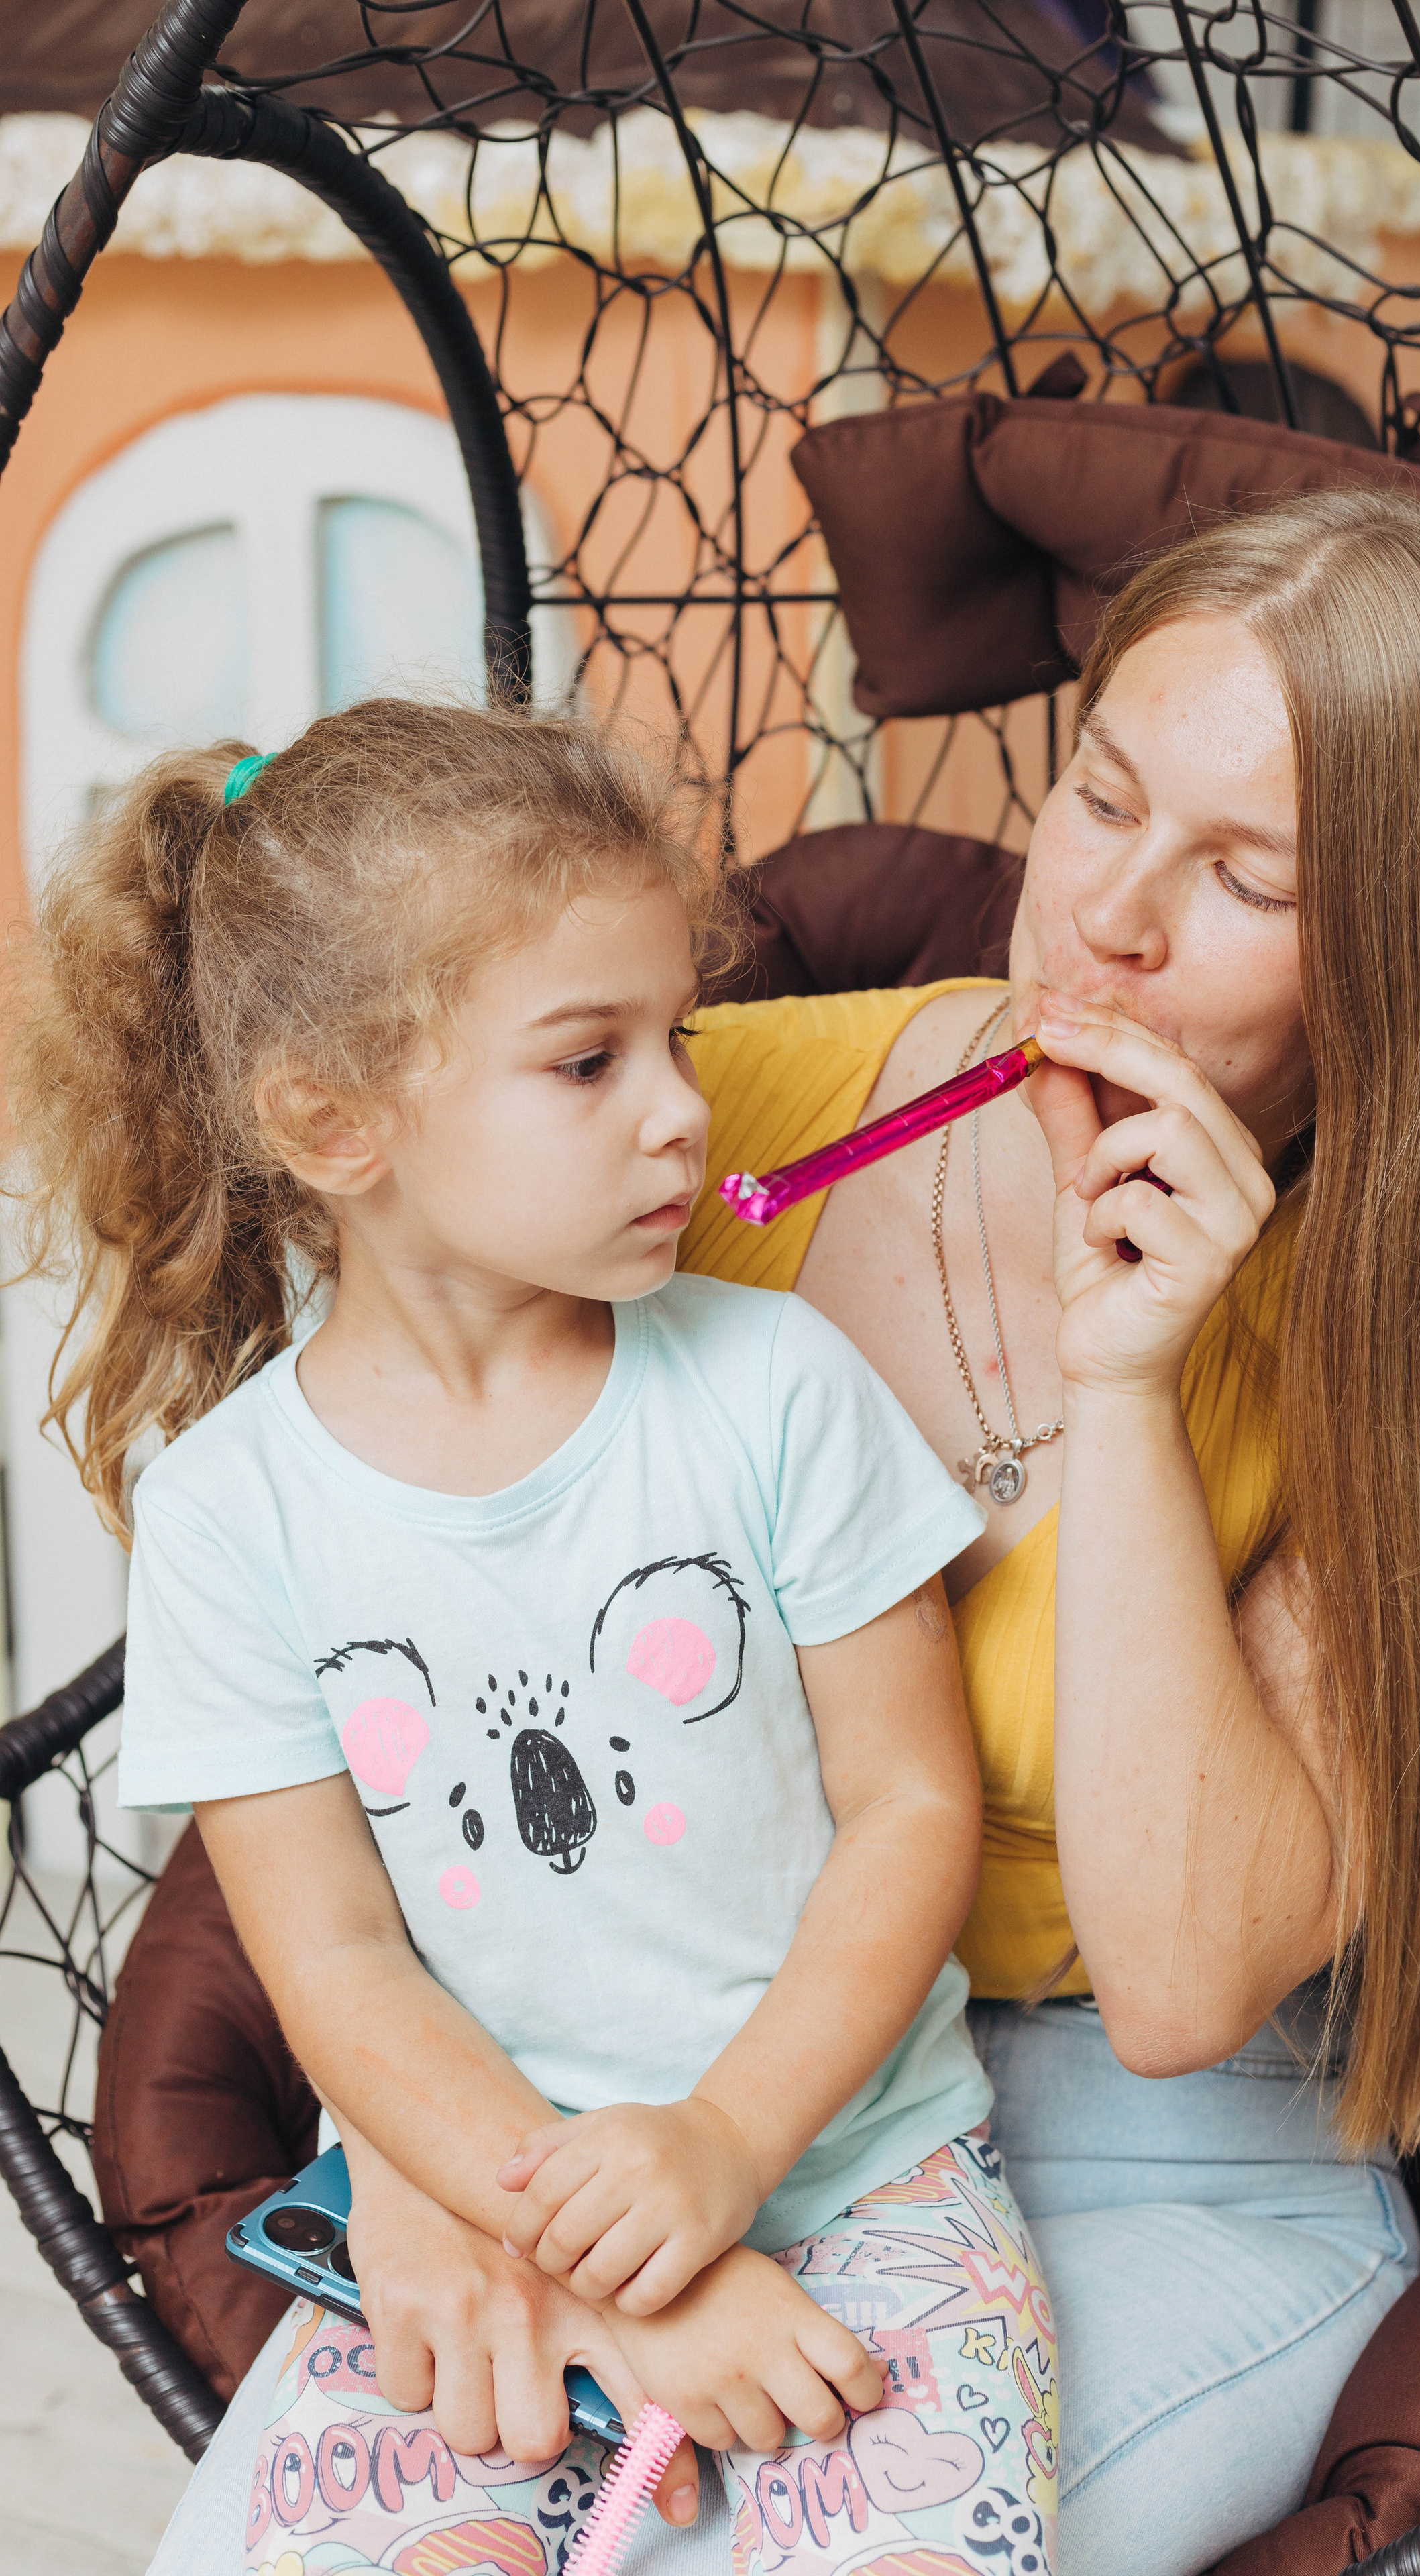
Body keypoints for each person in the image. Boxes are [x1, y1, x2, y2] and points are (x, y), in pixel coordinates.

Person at [30, 482, 1420, 2576]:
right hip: (603, 2105)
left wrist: (1130, 1379)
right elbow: (378, 1560)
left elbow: (1174, 1993)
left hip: (1154, 2163)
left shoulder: (1412, 1354)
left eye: (1243, 878)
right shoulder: (692, 1125)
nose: (1110, 919)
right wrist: (437, 2173)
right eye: (1102, 796)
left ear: (1411, 952)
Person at [9, 703, 1061, 2576]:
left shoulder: (777, 1391)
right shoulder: (230, 1519)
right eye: (589, 1062)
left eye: (680, 1037)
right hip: (468, 2206)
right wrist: (594, 2263)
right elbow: (330, 1953)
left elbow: (912, 1808)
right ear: (333, 1124)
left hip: (864, 2174)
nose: (682, 1107)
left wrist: (729, 2148)